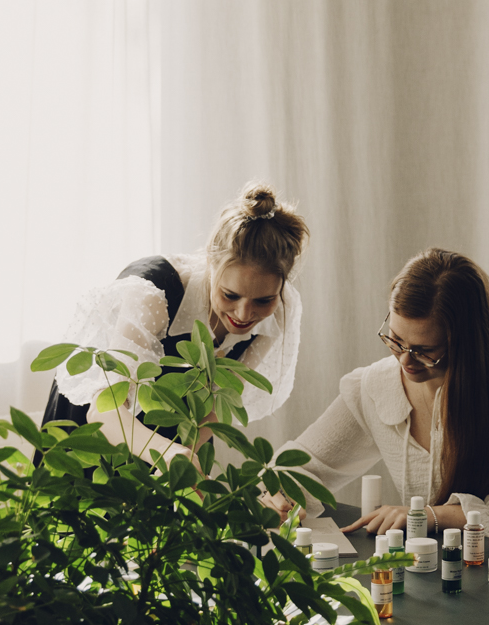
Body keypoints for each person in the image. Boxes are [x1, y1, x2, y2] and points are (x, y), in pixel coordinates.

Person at [279, 249, 489, 548]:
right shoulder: (373, 387)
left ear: (465, 342)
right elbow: (303, 465)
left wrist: (434, 516)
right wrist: (279, 497)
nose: (406, 360)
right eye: (395, 340)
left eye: (423, 350)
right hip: (426, 571)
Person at [47, 182, 308, 466]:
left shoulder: (279, 312)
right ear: (211, 262)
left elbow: (215, 409)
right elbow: (103, 409)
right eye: (230, 295)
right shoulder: (154, 294)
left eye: (263, 300)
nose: (245, 314)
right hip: (92, 435)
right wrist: (169, 454)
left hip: (167, 443)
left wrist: (183, 464)